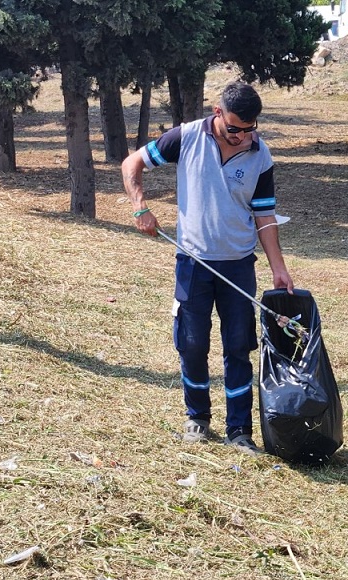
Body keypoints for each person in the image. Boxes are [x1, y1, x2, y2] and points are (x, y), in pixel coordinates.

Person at [121, 81, 293, 455]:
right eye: (235, 129)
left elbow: (264, 214)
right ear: (218, 114)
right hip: (193, 263)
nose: (242, 137)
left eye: (250, 129)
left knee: (238, 346)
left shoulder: (260, 154)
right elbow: (131, 163)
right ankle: (197, 418)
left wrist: (278, 267)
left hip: (238, 267)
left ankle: (239, 430)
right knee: (192, 344)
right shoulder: (184, 138)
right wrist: (140, 207)